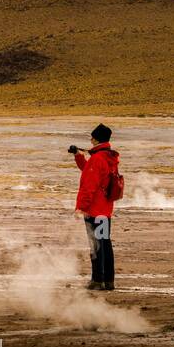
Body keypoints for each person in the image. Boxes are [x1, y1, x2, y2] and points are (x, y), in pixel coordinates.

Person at [72, 123, 119, 291]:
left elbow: (89, 185)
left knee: (96, 245)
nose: (90, 139)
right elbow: (89, 171)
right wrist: (79, 156)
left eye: (92, 137)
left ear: (97, 138)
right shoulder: (108, 156)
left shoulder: (98, 158)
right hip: (105, 210)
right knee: (104, 243)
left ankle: (97, 280)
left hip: (94, 210)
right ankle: (108, 281)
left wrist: (81, 208)